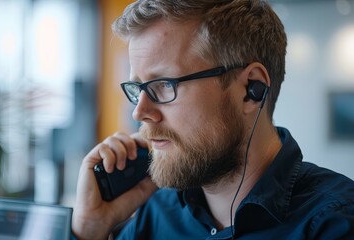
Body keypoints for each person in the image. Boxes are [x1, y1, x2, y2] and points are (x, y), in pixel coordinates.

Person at [71, 0, 354, 239]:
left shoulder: (335, 223)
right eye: (138, 89)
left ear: (249, 91)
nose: (139, 112)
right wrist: (88, 231)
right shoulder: (154, 213)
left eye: (164, 85)